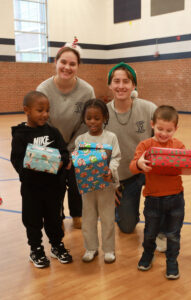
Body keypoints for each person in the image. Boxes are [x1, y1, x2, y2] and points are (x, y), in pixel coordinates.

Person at [37, 38, 95, 229]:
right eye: (63, 62)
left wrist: (71, 150)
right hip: (50, 145)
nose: (67, 67)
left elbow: (87, 123)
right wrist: (60, 151)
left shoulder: (87, 91)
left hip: (76, 144)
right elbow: (43, 123)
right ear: (56, 63)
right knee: (52, 184)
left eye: (72, 64)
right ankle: (56, 216)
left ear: (78, 66)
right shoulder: (43, 90)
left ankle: (78, 214)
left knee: (77, 179)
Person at [10, 91, 73, 268]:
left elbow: (63, 152)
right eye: (40, 110)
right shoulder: (21, 135)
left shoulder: (53, 132)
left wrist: (61, 161)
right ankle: (36, 249)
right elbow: (18, 161)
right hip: (32, 190)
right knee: (33, 220)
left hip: (53, 188)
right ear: (26, 110)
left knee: (54, 218)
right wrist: (37, 166)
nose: (45, 114)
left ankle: (56, 245)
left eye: (47, 110)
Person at [129, 105, 185, 279]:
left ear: (175, 129)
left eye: (169, 130)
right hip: (153, 198)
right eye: (160, 128)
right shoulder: (145, 145)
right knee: (150, 232)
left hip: (176, 198)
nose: (163, 133)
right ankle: (147, 254)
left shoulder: (179, 145)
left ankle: (172, 261)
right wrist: (139, 164)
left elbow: (187, 166)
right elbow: (132, 167)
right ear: (152, 124)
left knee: (174, 235)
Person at [106, 62, 157, 234]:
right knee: (127, 227)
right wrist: (108, 186)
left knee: (166, 197)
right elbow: (95, 153)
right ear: (110, 85)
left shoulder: (149, 109)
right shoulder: (102, 114)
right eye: (116, 81)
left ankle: (160, 227)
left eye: (126, 81)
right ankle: (124, 211)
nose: (121, 86)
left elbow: (163, 141)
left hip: (149, 170)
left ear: (133, 85)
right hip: (123, 177)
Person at [74, 99, 121, 263]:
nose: (92, 122)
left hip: (106, 186)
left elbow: (116, 158)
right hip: (87, 187)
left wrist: (111, 171)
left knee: (108, 218)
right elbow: (77, 160)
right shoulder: (80, 140)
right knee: (88, 218)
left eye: (97, 118)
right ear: (84, 118)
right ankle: (91, 248)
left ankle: (109, 250)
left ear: (105, 118)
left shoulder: (111, 137)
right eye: (89, 118)